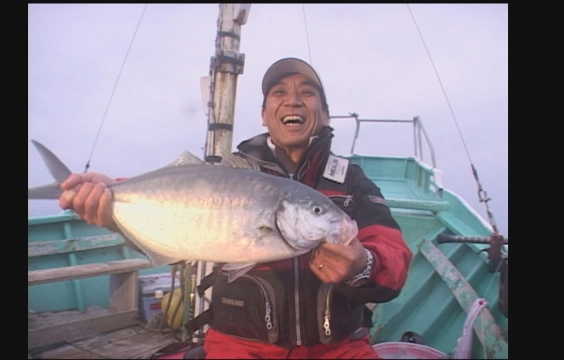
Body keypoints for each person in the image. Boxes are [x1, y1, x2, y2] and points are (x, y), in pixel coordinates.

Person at [59, 57, 413, 359]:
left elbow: (392, 256)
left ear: (324, 113)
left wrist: (362, 265)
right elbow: (175, 207)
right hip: (240, 347)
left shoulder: (351, 180)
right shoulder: (229, 173)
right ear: (263, 115)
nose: (293, 101)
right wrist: (112, 205)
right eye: (279, 93)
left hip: (339, 349)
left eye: (307, 92)